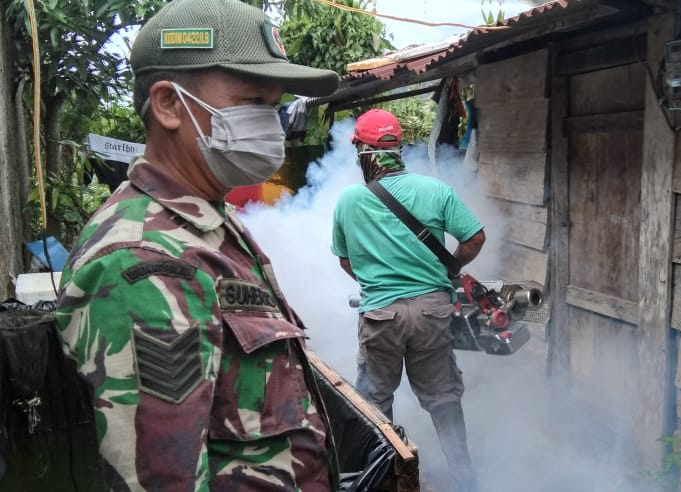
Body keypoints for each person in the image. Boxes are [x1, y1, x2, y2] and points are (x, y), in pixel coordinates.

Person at [54, 0, 341, 489]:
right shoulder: (145, 261)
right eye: (253, 103)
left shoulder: (204, 219)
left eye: (274, 109)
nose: (272, 127)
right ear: (168, 105)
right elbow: (165, 478)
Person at [331, 109, 486, 492]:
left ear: (364, 153)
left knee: (374, 405)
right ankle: (464, 477)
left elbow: (346, 260)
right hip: (433, 312)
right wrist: (450, 269)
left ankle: (382, 481)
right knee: (443, 398)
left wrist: (377, 279)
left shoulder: (349, 200)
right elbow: (475, 239)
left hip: (381, 314)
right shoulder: (435, 190)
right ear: (397, 148)